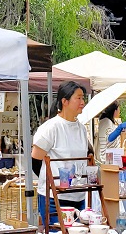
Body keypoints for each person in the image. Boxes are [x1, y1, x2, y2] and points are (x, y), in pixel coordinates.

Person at [32, 81, 90, 223]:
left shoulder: (82, 128)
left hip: (78, 196)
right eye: (79, 98)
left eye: (83, 98)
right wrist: (52, 179)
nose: (82, 102)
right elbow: (36, 160)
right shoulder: (51, 127)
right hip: (54, 197)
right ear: (64, 101)